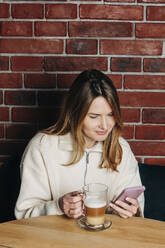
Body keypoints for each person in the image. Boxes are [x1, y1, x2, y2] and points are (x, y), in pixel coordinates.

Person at [15, 69, 144, 220]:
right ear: (75, 113)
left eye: (111, 115)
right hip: (55, 241)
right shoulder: (42, 147)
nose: (105, 125)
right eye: (94, 116)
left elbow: (136, 212)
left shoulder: (121, 149)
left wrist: (133, 212)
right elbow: (24, 216)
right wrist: (58, 206)